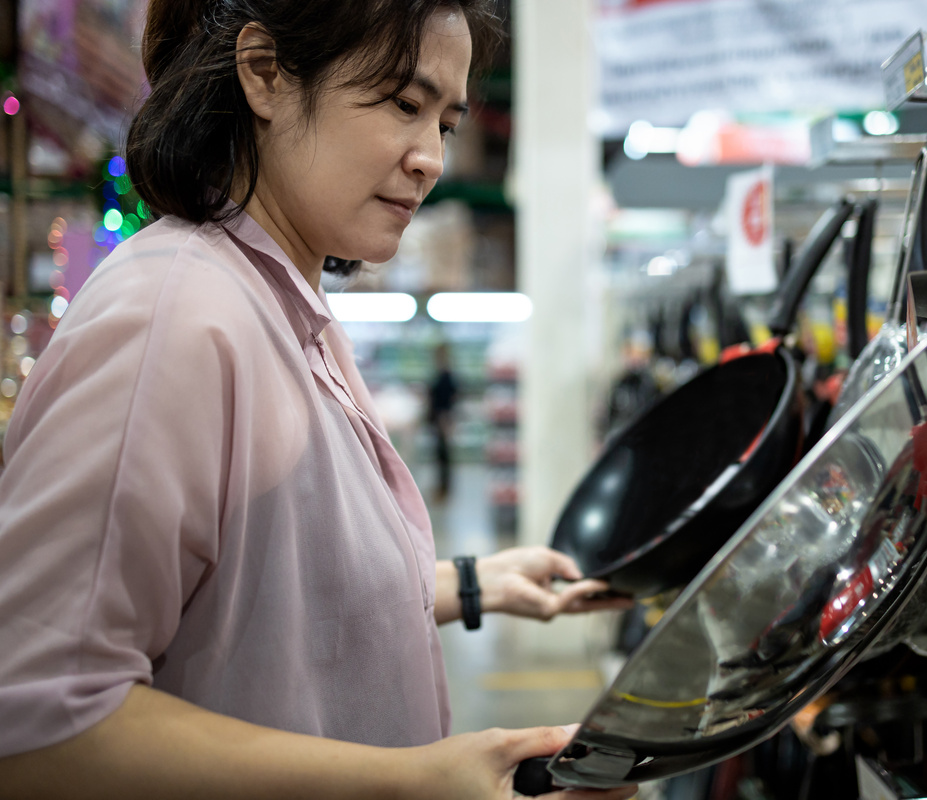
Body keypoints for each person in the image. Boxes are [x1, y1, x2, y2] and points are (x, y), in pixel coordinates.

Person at [0, 1, 635, 797]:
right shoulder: (174, 318)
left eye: (446, 121)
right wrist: (407, 782)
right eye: (405, 105)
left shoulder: (284, 309)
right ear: (265, 73)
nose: (432, 157)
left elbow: (267, 589)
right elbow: (36, 725)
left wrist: (472, 584)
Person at [428, 342, 459, 501]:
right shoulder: (442, 373)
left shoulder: (446, 375)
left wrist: (445, 420)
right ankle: (442, 488)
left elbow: (448, 400)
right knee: (441, 455)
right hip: (439, 419)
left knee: (443, 456)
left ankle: (444, 490)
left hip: (442, 420)